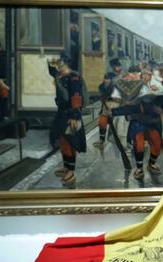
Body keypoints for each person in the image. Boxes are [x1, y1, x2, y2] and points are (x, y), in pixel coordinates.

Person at [49, 52, 87, 186]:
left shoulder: (73, 77)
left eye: (59, 61)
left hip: (70, 114)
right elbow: (52, 71)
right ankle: (66, 167)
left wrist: (74, 117)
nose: (57, 64)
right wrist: (50, 63)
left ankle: (71, 171)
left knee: (71, 142)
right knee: (63, 141)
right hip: (62, 113)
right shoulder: (60, 75)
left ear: (65, 62)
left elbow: (76, 97)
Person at [94, 58, 123, 149]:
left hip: (119, 104)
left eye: (117, 66)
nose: (116, 68)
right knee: (102, 121)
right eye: (114, 66)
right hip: (108, 104)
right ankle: (102, 140)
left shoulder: (122, 77)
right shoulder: (108, 78)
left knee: (118, 125)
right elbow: (103, 92)